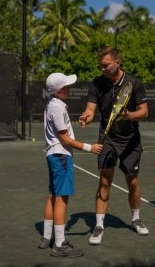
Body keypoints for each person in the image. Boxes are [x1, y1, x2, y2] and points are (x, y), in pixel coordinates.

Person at [79, 46, 149, 246]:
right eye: (100, 66)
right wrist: (86, 117)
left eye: (106, 65)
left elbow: (144, 112)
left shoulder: (134, 83)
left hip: (130, 141)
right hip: (107, 139)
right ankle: (99, 226)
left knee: (132, 182)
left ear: (117, 63)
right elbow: (90, 110)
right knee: (104, 182)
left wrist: (129, 115)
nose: (102, 69)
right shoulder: (97, 84)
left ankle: (136, 219)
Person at [39, 72, 103, 257]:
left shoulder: (53, 104)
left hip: (54, 155)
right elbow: (65, 139)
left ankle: (46, 237)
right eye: (66, 86)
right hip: (61, 156)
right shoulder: (57, 107)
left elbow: (63, 131)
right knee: (61, 198)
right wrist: (89, 147)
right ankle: (59, 244)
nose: (69, 88)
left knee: (53, 195)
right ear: (59, 91)